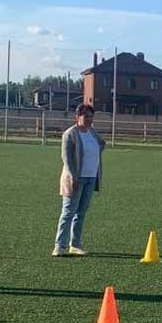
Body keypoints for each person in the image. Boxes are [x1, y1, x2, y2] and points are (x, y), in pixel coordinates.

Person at [53, 104, 106, 256]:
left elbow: (101, 144)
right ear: (77, 117)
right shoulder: (70, 134)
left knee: (81, 213)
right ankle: (59, 246)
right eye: (85, 116)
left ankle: (75, 244)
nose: (89, 119)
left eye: (91, 116)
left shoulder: (92, 132)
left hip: (91, 177)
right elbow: (67, 158)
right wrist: (73, 177)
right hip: (75, 178)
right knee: (68, 212)